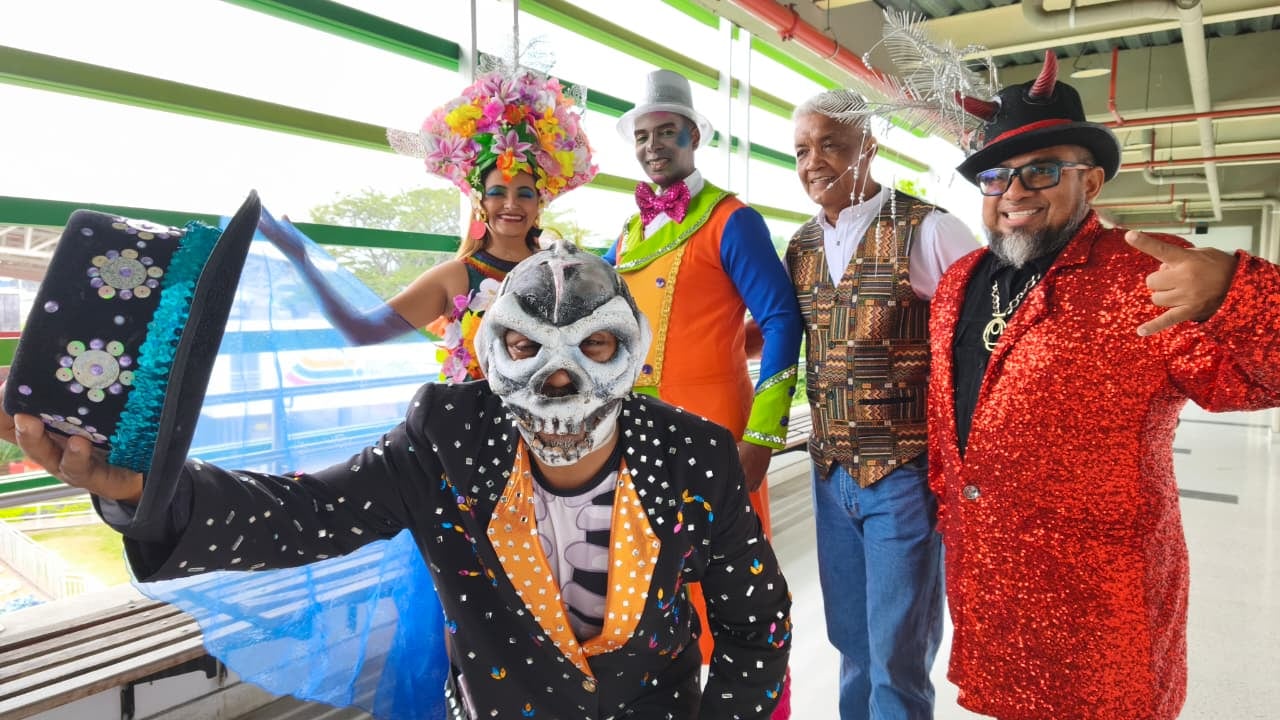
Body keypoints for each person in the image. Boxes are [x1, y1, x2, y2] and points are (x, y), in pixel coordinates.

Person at [2, 241, 792, 720]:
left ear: (635, 357)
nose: (559, 386)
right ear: (489, 357)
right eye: (527, 352)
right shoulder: (447, 439)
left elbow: (755, 622)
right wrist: (147, 491)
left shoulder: (693, 456)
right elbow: (303, 515)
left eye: (592, 351)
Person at [931, 51, 1280, 719]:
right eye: (996, 177)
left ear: (1089, 180)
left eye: (1041, 170)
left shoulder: (1142, 275)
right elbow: (952, 423)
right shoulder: (958, 283)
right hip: (990, 583)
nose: (1014, 194)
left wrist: (1233, 295)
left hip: (1101, 602)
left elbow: (1259, 379)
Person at [604, 68, 803, 714]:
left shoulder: (731, 218)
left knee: (735, 596)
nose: (653, 144)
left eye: (667, 131)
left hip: (719, 436)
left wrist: (762, 437)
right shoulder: (627, 236)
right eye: (643, 134)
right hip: (637, 441)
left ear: (693, 137)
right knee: (651, 592)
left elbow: (780, 320)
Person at [785, 90, 977, 720]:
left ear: (868, 146)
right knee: (851, 643)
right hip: (829, 469)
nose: (814, 161)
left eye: (830, 144)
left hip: (903, 472)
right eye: (801, 150)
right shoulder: (801, 245)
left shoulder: (929, 228)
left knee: (897, 652)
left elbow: (983, 336)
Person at [259, 64, 597, 382]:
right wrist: (301, 260)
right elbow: (361, 331)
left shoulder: (559, 269)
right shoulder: (455, 276)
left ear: (539, 202)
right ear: (479, 201)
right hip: (472, 431)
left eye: (524, 193)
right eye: (497, 192)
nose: (510, 204)